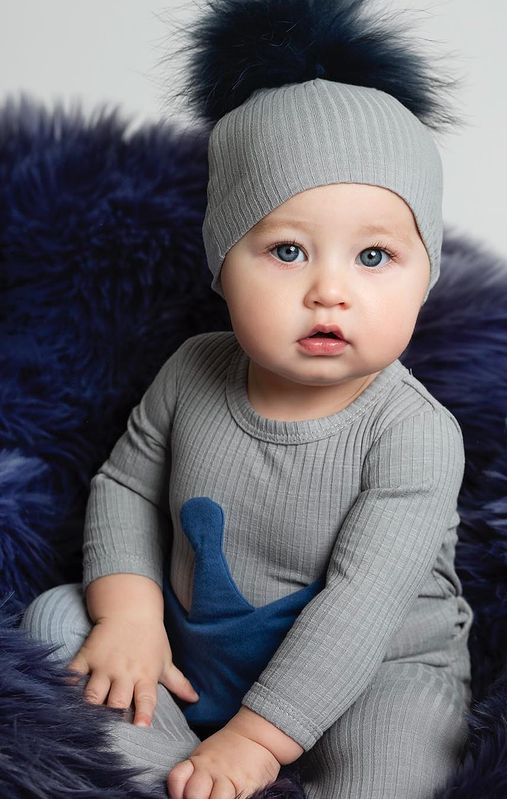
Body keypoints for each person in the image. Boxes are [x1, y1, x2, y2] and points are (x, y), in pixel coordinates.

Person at [19, 2, 474, 797]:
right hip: (195, 654)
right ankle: (174, 765)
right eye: (287, 250)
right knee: (60, 620)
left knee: (402, 752)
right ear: (223, 262)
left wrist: (258, 740)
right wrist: (130, 614)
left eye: (374, 256)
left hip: (374, 668)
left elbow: (360, 608)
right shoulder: (192, 370)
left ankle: (255, 765)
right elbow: (126, 487)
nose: (329, 290)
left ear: (425, 274)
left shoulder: (413, 434)